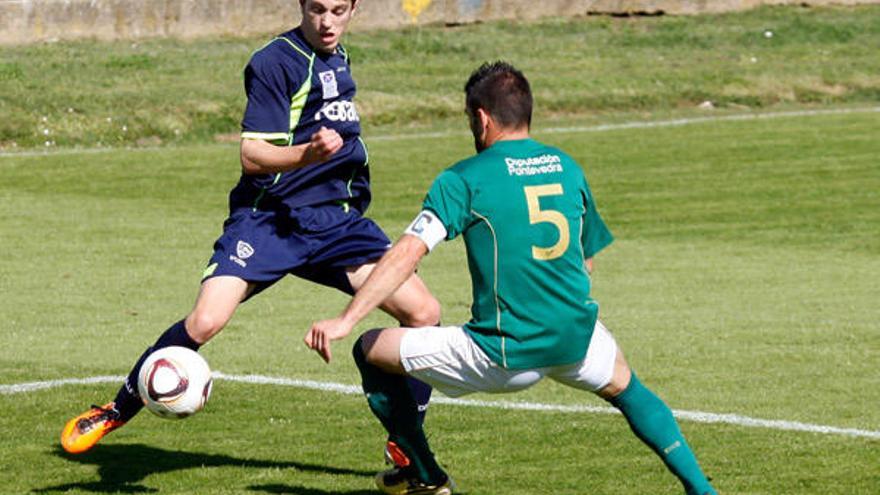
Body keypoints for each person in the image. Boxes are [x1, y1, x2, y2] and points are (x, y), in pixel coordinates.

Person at [305, 61, 718, 495]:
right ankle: (702, 490)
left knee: (370, 349)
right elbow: (586, 261)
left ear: (481, 118)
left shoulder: (464, 178)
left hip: (501, 351)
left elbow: (407, 252)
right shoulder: (566, 166)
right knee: (629, 389)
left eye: (470, 119)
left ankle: (425, 476)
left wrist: (346, 318)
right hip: (573, 336)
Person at [60, 0, 437, 464]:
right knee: (205, 321)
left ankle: (405, 441)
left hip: (335, 223)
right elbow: (253, 155)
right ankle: (115, 410)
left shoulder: (338, 57)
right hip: (269, 220)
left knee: (423, 312)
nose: (327, 22)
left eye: (339, 10)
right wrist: (307, 155)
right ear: (301, 6)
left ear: (354, 10)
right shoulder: (274, 62)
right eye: (317, 9)